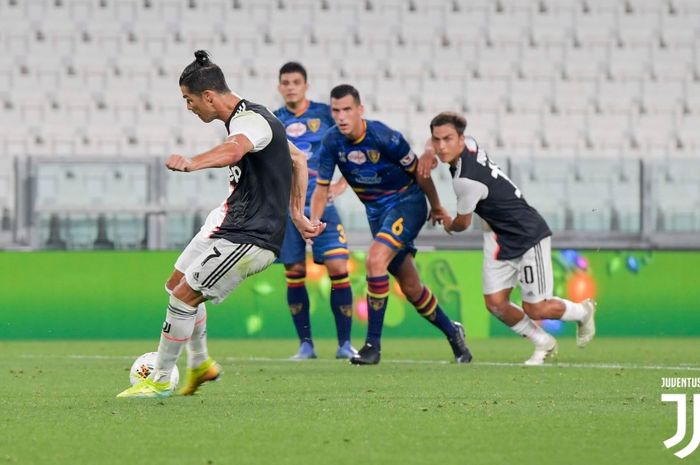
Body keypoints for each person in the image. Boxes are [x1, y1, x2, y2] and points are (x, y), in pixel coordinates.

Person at [117, 51, 322, 398]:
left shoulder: (251, 122)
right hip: (230, 222)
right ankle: (199, 363)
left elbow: (233, 151)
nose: (189, 107)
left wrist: (192, 163)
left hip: (251, 236)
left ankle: (161, 380)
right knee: (176, 285)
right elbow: (299, 160)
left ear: (208, 96)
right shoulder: (253, 120)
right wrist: (298, 214)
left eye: (189, 100)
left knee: (183, 298)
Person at [310, 84, 473, 365]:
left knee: (375, 260)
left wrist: (435, 205)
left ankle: (372, 346)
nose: (341, 116)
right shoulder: (331, 142)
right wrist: (312, 223)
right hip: (376, 214)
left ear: (360, 110)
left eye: (347, 109)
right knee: (411, 288)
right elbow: (321, 189)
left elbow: (420, 174)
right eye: (336, 110)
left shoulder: (384, 136)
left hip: (406, 204)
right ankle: (453, 332)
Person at [421, 112, 596, 365]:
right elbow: (439, 143)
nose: (441, 146)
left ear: (460, 138)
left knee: (536, 308)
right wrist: (428, 152)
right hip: (498, 236)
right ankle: (543, 343)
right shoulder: (470, 144)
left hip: (527, 235)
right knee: (495, 303)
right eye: (436, 140)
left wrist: (445, 219)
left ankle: (583, 311)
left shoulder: (465, 180)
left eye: (447, 139)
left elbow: (462, 223)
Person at [273, 62, 357, 360]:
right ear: (280, 86)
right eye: (286, 82)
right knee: (294, 271)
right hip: (289, 207)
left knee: (338, 267)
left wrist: (343, 184)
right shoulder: (273, 120)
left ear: (306, 85)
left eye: (296, 81)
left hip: (323, 204)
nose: (291, 86)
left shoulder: (325, 114)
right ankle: (305, 345)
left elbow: (355, 141)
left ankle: (345, 344)